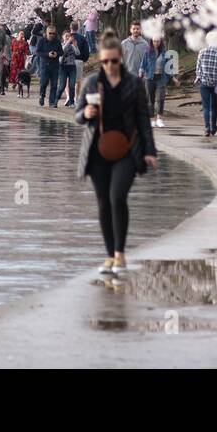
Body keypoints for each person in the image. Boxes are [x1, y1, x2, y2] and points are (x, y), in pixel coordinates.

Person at [74, 36, 158, 276]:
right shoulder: (92, 83)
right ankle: (110, 255)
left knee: (117, 197)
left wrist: (150, 152)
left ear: (120, 59)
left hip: (127, 150)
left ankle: (120, 253)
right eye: (104, 61)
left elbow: (143, 119)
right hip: (97, 150)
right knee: (103, 202)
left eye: (113, 61)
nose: (109, 65)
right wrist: (86, 113)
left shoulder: (133, 84)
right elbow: (77, 116)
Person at [195, 33, 217, 137]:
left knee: (205, 107)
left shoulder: (201, 53)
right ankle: (213, 127)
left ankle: (207, 128)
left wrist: (200, 77)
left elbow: (198, 69)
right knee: (214, 106)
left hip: (204, 83)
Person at [140, 34, 171, 128]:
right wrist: (140, 73)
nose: (156, 43)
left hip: (161, 78)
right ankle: (151, 119)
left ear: (161, 42)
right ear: (151, 42)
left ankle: (159, 119)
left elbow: (169, 67)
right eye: (154, 41)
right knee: (150, 99)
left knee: (160, 99)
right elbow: (143, 64)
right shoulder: (147, 52)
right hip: (149, 78)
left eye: (158, 41)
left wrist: (173, 77)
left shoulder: (165, 53)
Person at [36, 26, 62, 107]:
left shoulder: (57, 41)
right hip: (44, 65)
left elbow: (61, 52)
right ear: (46, 33)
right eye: (50, 33)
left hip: (55, 65)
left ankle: (52, 102)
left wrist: (57, 54)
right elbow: (37, 52)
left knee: (54, 85)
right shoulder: (41, 41)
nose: (52, 35)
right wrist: (47, 54)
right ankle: (41, 96)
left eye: (53, 33)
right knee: (43, 83)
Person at [59, 29, 81, 107]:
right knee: (63, 84)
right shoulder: (61, 45)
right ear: (63, 37)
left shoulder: (72, 45)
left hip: (72, 66)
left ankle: (71, 100)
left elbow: (78, 53)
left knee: (72, 84)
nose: (68, 37)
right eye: (66, 36)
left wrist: (75, 46)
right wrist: (68, 42)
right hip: (63, 67)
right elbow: (62, 51)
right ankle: (63, 98)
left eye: (69, 36)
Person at [70, 21, 89, 96]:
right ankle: (76, 97)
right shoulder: (82, 38)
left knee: (69, 80)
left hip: (68, 61)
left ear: (70, 28)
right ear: (77, 28)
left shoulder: (67, 37)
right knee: (78, 81)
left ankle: (69, 97)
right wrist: (85, 59)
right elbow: (86, 50)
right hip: (79, 60)